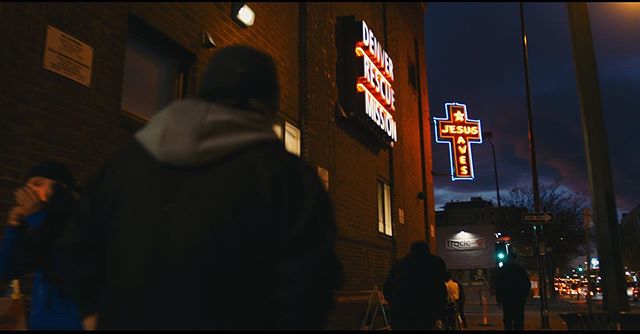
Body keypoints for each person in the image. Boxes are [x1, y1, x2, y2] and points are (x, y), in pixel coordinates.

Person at [56, 46, 343, 330]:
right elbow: (310, 284)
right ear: (269, 104)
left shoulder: (125, 163)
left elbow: (76, 246)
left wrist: (91, 311)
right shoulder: (289, 178)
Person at [0, 161, 82, 330]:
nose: (31, 192)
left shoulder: (83, 221)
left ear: (61, 187)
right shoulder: (40, 224)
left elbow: (64, 266)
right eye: (27, 187)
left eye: (38, 184)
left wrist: (37, 216)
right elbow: (5, 270)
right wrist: (14, 228)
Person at [383, 241, 447, 330]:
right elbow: (442, 286)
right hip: (426, 308)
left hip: (401, 307)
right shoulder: (436, 262)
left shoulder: (400, 263)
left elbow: (387, 287)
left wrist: (394, 302)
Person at [495, 252, 531, 331]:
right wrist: (525, 296)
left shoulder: (502, 270)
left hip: (506, 298)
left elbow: (498, 285)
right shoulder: (520, 270)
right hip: (519, 299)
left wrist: (498, 299)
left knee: (507, 320)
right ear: (515, 259)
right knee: (519, 320)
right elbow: (527, 284)